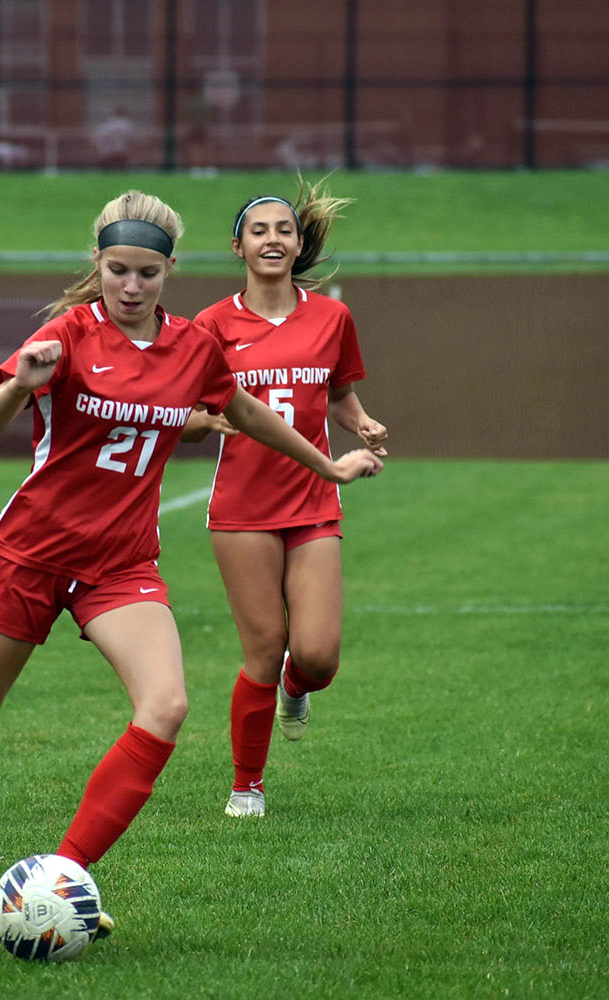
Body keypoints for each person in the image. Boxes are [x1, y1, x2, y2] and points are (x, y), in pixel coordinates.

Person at [0, 190, 382, 942]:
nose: (130, 287)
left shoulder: (193, 346)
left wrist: (328, 470)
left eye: (146, 273)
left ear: (169, 271)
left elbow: (249, 414)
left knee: (165, 706)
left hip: (120, 565)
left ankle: (62, 880)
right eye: (116, 271)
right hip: (30, 556)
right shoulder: (66, 334)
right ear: (98, 266)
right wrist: (18, 385)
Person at [182, 177, 388, 820]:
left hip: (313, 501)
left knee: (318, 657)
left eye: (284, 230)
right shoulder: (210, 324)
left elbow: (336, 391)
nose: (273, 239)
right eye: (260, 230)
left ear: (299, 245)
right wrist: (201, 420)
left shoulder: (333, 316)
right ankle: (247, 786)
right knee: (264, 649)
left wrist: (362, 422)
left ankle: (299, 689)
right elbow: (171, 406)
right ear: (237, 246)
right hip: (241, 509)